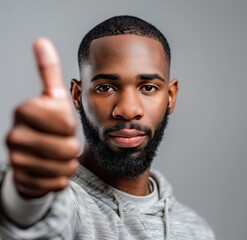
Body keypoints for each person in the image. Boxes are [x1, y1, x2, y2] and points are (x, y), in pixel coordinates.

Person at [0, 15, 215, 240]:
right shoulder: (67, 204)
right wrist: (28, 188)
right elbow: (30, 219)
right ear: (77, 95)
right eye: (105, 88)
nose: (128, 109)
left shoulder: (196, 231)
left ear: (170, 97)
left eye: (149, 87)